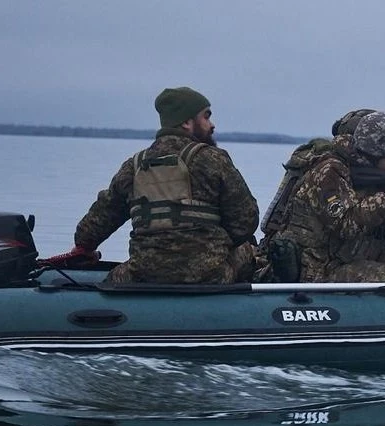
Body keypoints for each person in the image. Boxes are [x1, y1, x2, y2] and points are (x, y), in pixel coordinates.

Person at [57, 86, 260, 284]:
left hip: (142, 274)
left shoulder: (134, 166)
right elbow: (246, 221)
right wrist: (215, 243)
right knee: (248, 249)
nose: (212, 125)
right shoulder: (213, 159)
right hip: (209, 276)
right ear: (186, 122)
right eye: (206, 117)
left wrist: (85, 247)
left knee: (114, 278)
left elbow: (92, 227)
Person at [263, 111, 385, 283]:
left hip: (357, 257)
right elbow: (344, 226)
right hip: (320, 267)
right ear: (372, 154)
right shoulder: (330, 171)